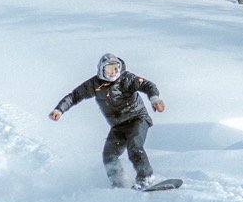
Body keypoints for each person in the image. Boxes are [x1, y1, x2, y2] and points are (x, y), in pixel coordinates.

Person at [50, 53, 166, 188]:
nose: (114, 72)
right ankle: (119, 183)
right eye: (110, 69)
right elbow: (74, 96)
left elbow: (147, 85)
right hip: (118, 126)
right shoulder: (93, 84)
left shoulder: (126, 79)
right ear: (101, 69)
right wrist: (59, 110)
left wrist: (155, 99)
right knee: (109, 156)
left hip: (137, 118)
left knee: (134, 146)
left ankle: (146, 178)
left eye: (116, 68)